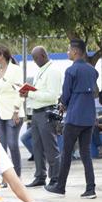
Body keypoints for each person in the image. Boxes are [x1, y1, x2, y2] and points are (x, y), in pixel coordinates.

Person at [45, 39, 99, 199]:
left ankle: (60, 187)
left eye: (69, 50)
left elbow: (66, 95)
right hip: (89, 117)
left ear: (75, 52)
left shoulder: (71, 71)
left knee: (67, 152)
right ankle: (91, 188)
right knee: (86, 153)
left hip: (74, 116)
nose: (67, 52)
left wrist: (63, 104)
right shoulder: (92, 71)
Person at [21, 46, 63, 187]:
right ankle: (40, 176)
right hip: (37, 112)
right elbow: (40, 92)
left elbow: (52, 96)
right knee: (37, 147)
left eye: (36, 58)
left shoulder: (53, 71)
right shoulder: (41, 70)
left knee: (50, 147)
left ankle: (56, 178)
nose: (34, 61)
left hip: (47, 112)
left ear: (44, 55)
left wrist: (31, 94)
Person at [0, 45, 25, 177]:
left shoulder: (15, 70)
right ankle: (5, 177)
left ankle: (17, 175)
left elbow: (21, 91)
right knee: (1, 147)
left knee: (12, 144)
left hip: (11, 111)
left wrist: (16, 111)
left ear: (2, 55)